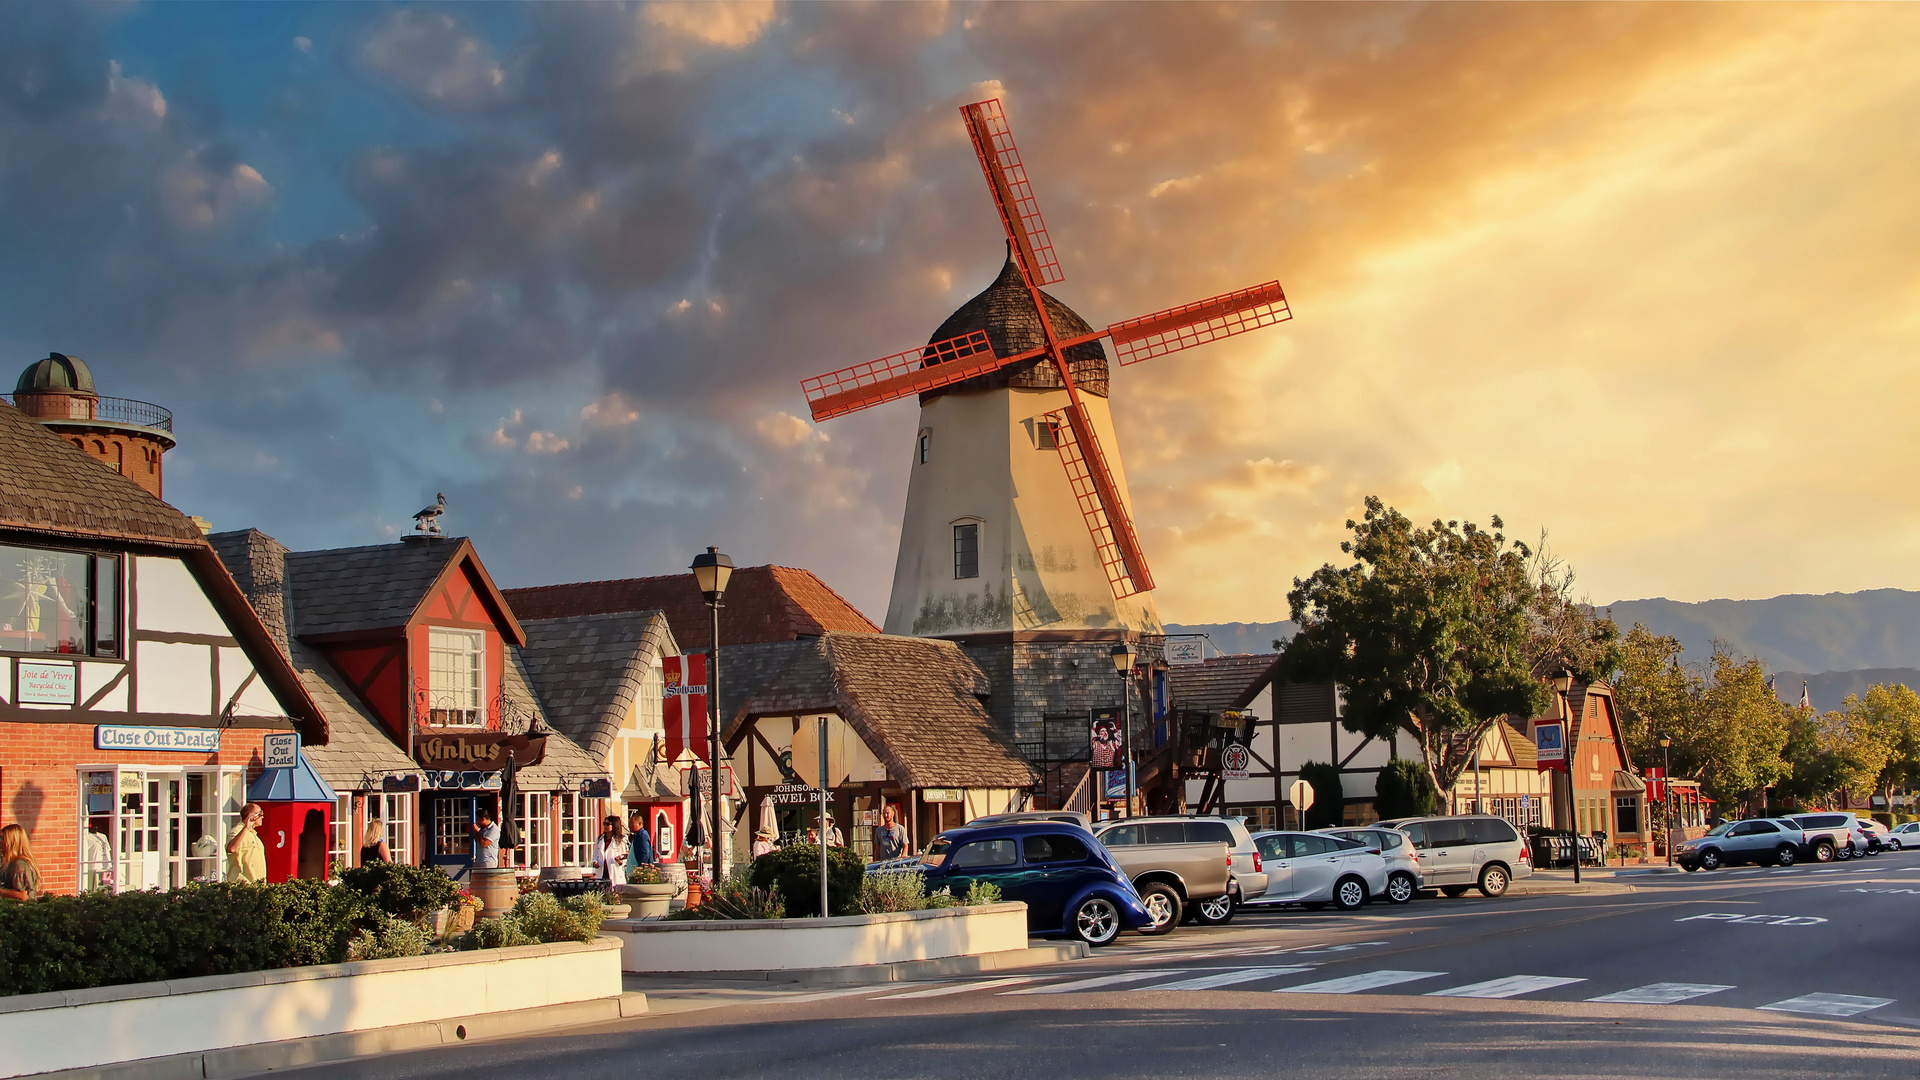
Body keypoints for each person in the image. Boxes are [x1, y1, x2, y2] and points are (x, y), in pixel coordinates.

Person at [226, 802, 267, 883]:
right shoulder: (237, 831)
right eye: (260, 813)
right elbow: (231, 848)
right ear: (251, 815)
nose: (262, 817)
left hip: (255, 884)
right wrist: (245, 828)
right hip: (241, 884)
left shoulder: (254, 836)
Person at [0, 824, 41, 901]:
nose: (0, 841)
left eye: (3, 838)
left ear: (13, 841)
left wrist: (1, 892)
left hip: (19, 912)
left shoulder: (20, 865)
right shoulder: (9, 862)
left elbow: (23, 896)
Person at [591, 816, 628, 886]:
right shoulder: (600, 839)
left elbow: (625, 856)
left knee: (614, 892)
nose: (605, 826)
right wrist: (595, 862)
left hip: (614, 871)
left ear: (614, 825)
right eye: (604, 824)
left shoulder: (621, 839)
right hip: (602, 871)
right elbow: (595, 855)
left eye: (608, 824)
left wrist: (621, 861)